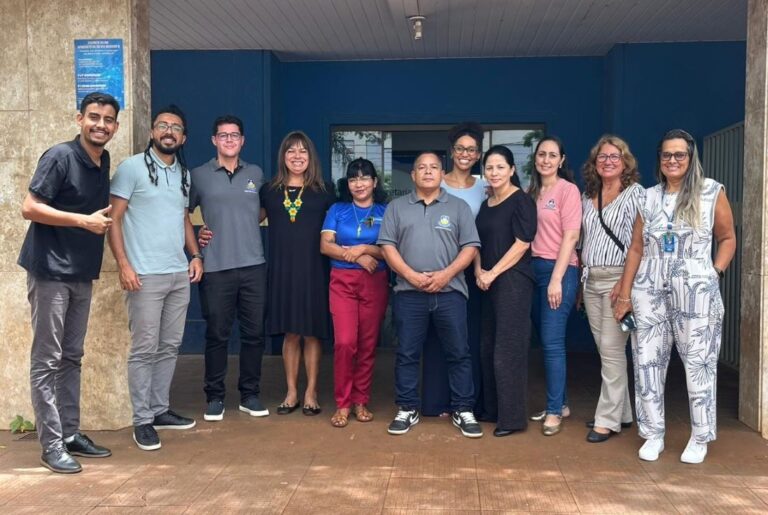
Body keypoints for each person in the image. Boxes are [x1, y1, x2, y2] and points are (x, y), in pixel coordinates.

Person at [614, 129, 736, 463]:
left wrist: (715, 272)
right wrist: (624, 293)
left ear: (691, 157)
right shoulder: (648, 197)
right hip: (649, 287)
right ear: (660, 159)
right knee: (647, 361)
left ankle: (700, 437)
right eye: (666, 154)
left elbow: (727, 238)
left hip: (696, 289)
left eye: (679, 154)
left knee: (699, 363)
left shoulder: (711, 192)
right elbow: (636, 248)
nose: (672, 160)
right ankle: (653, 434)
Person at [18, 92, 119, 473]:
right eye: (94, 117)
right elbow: (30, 207)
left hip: (81, 271)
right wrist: (82, 221)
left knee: (72, 356)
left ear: (115, 126)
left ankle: (70, 432)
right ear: (80, 119)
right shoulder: (60, 156)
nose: (100, 125)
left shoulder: (102, 159)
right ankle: (51, 445)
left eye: (108, 119)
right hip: (49, 270)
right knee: (47, 359)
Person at [108, 105, 203, 451]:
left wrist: (195, 255)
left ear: (183, 138)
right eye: (162, 125)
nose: (168, 131)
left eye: (176, 128)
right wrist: (124, 265)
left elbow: (183, 219)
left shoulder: (184, 174)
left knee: (170, 345)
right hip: (144, 275)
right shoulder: (131, 168)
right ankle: (142, 420)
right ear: (152, 132)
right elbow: (114, 219)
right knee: (144, 348)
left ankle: (160, 409)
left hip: (177, 272)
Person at [378, 151, 483, 438]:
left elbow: (470, 247)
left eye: (433, 167)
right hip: (408, 293)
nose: (427, 172)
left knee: (458, 353)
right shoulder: (396, 207)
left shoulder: (459, 207)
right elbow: (387, 247)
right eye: (421, 168)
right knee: (407, 353)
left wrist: (445, 275)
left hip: (450, 292)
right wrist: (410, 275)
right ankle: (407, 408)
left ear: (441, 174)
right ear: (412, 175)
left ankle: (463, 409)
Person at [188, 115, 268, 422]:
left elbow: (263, 209)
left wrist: (242, 223)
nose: (229, 140)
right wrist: (196, 240)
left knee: (254, 334)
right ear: (214, 140)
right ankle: (215, 397)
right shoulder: (199, 175)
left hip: (253, 265)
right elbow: (181, 213)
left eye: (235, 135)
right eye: (223, 135)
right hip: (216, 267)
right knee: (217, 334)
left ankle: (250, 395)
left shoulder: (256, 173)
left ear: (242, 140)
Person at [261, 131, 335, 416]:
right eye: (291, 150)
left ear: (311, 156)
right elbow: (245, 219)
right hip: (282, 270)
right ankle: (291, 391)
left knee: (312, 333)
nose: (297, 156)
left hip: (315, 270)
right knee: (291, 333)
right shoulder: (269, 191)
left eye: (303, 151)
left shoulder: (325, 191)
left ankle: (311, 391)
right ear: (283, 156)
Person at [579, 135, 643, 443]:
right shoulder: (588, 195)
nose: (608, 162)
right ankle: (623, 412)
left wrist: (625, 286)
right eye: (602, 157)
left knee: (612, 349)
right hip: (591, 280)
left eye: (614, 156)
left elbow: (639, 244)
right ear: (594, 163)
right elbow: (583, 240)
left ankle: (607, 420)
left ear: (625, 162)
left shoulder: (635, 194)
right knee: (606, 350)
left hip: (619, 278)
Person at [422, 122, 486, 418]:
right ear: (451, 151)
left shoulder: (486, 186)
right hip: (440, 270)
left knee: (468, 336)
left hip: (474, 271)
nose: (465, 154)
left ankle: (466, 401)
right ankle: (438, 400)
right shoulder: (438, 183)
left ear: (478, 154)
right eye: (460, 148)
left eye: (471, 149)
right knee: (437, 336)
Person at [320, 158, 389, 428]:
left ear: (374, 182)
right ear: (347, 184)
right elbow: (326, 245)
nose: (359, 184)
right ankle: (343, 403)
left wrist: (365, 249)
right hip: (342, 282)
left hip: (375, 281)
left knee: (367, 343)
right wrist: (358, 257)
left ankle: (361, 400)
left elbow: (390, 250)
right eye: (353, 179)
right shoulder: (337, 209)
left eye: (364, 178)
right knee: (345, 342)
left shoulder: (386, 211)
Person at [475, 145, 537, 436]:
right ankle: (492, 409)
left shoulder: (522, 201)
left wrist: (492, 272)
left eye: (500, 167)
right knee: (487, 346)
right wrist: (479, 271)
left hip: (513, 282)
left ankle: (512, 419)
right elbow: (476, 242)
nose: (494, 172)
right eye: (489, 167)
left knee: (508, 350)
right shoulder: (486, 204)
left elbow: (523, 243)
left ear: (512, 170)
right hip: (486, 282)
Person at [528, 136, 581, 436]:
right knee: (545, 339)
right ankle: (561, 403)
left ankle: (553, 411)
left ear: (561, 160)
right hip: (533, 271)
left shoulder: (567, 190)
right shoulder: (532, 192)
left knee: (552, 343)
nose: (546, 160)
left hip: (558, 270)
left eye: (552, 155)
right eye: (541, 154)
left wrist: (557, 279)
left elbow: (571, 236)